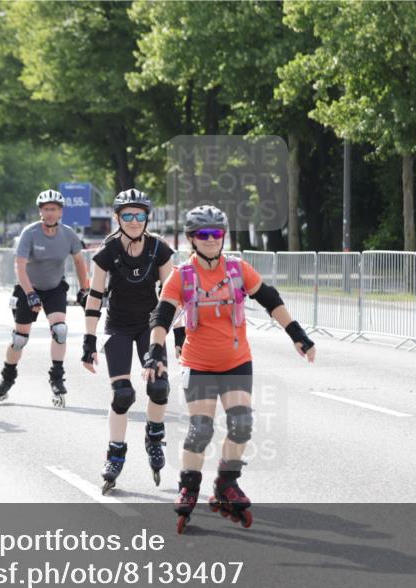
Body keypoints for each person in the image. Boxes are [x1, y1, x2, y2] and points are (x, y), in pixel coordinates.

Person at [143, 205, 317, 533]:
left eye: (217, 234)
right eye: (203, 235)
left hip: (236, 362)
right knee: (200, 430)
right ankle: (189, 487)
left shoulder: (237, 270)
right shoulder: (183, 276)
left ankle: (225, 483)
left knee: (241, 424)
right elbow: (162, 315)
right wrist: (155, 350)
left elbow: (270, 299)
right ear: (192, 239)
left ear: (223, 237)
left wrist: (298, 335)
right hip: (198, 364)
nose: (211, 240)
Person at [81, 188, 179, 493]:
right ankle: (115, 454)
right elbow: (95, 296)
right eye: (128, 215)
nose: (135, 221)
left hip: (152, 327)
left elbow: (172, 297)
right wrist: (88, 341)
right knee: (122, 395)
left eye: (140, 215)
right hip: (119, 327)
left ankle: (154, 434)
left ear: (147, 217)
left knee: (159, 387)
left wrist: (179, 337)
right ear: (117, 217)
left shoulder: (159, 249)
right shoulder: (106, 253)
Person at [0, 189, 90, 408]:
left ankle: (57, 379)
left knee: (60, 330)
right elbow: (20, 266)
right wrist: (30, 294)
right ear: (40, 212)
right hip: (28, 287)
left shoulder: (69, 234)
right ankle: (6, 379)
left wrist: (85, 290)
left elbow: (80, 262)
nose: (50, 213)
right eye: (46, 209)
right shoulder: (30, 232)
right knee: (20, 339)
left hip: (54, 288)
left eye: (54, 209)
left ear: (61, 211)